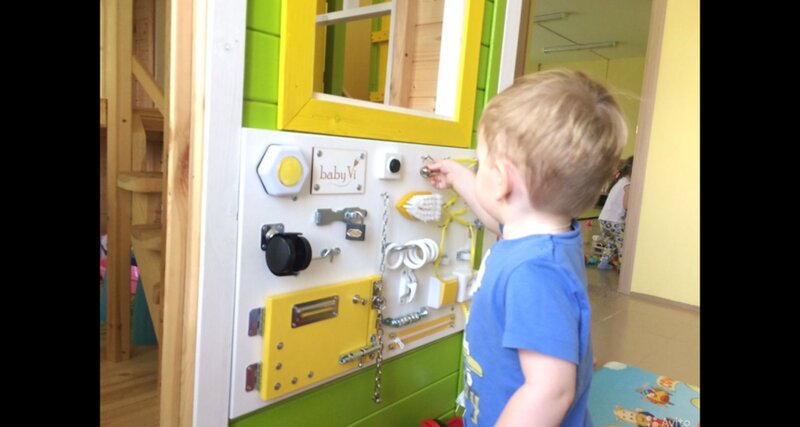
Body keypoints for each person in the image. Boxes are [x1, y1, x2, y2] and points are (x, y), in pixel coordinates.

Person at [426, 69, 627, 426]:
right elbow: (497, 218)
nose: (477, 169)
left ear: (501, 181)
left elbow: (551, 391)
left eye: (480, 162)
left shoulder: (535, 272)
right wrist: (459, 176)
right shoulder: (542, 235)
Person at [597, 156, 633, 270]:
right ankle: (624, 267)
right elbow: (626, 205)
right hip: (615, 221)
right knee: (623, 245)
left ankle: (603, 263)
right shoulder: (627, 184)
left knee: (610, 243)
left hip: (603, 219)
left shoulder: (620, 181)